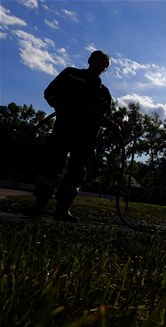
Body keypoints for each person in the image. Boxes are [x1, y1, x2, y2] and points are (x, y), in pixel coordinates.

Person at [25, 50, 113, 222]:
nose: (99, 67)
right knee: (51, 167)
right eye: (97, 62)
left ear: (105, 70)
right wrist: (59, 105)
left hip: (86, 139)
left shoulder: (104, 93)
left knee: (77, 173)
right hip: (63, 131)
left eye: (103, 65)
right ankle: (39, 207)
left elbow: (106, 117)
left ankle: (62, 211)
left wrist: (112, 124)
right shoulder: (70, 75)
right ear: (89, 60)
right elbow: (50, 92)